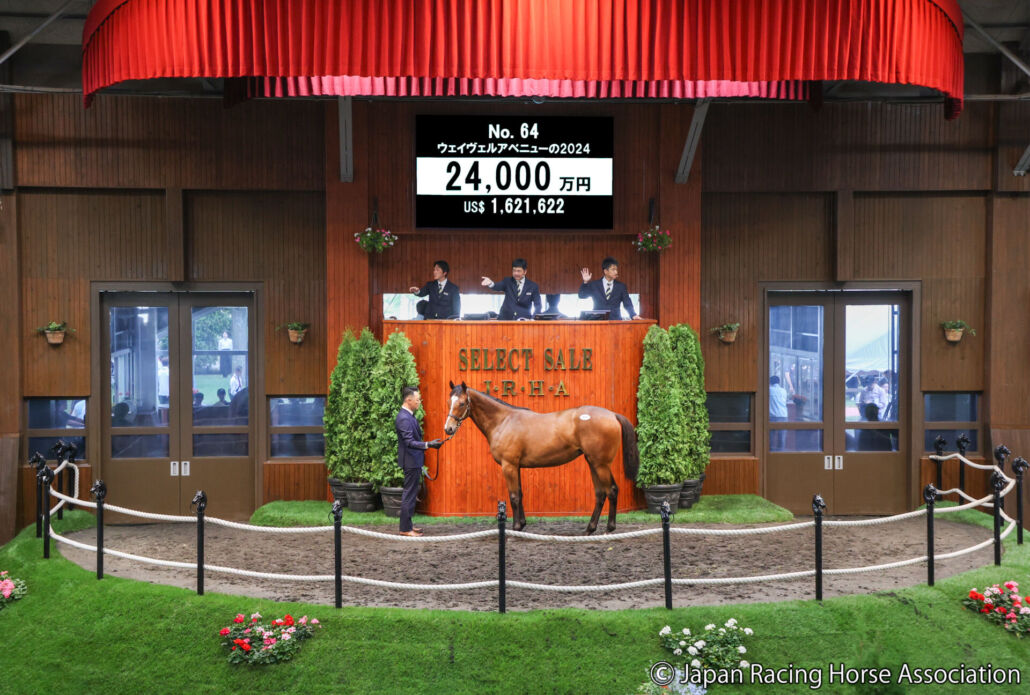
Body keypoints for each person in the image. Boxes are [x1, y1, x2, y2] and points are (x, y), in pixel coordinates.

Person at [395, 386, 443, 536]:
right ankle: (405, 529)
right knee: (409, 494)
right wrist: (428, 445)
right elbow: (409, 442)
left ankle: (408, 525)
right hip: (410, 462)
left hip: (413, 461)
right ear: (408, 400)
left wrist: (428, 444)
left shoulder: (408, 416)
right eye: (417, 400)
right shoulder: (404, 418)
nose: (419, 402)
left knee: (411, 494)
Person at [769, 376, 789, 450]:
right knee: (782, 436)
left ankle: (770, 451)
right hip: (783, 415)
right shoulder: (784, 391)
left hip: (772, 415)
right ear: (779, 382)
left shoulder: (769, 390)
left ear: (770, 382)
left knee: (771, 436)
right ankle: (781, 452)